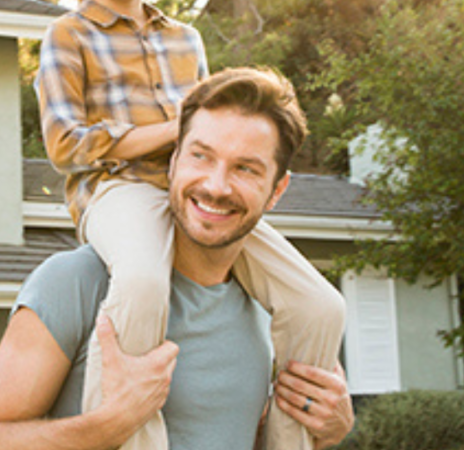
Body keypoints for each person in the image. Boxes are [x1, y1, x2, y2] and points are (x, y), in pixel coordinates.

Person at [0, 68, 354, 450]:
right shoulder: (77, 282)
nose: (216, 186)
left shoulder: (273, 309)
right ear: (173, 161)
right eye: (201, 156)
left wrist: (321, 430)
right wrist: (109, 425)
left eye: (245, 168)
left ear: (276, 190)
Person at [34, 0, 345, 448]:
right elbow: (65, 145)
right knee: (142, 282)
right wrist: (175, 129)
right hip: (117, 190)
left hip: (192, 190)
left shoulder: (185, 37)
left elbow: (212, 130)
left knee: (322, 306)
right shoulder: (69, 34)